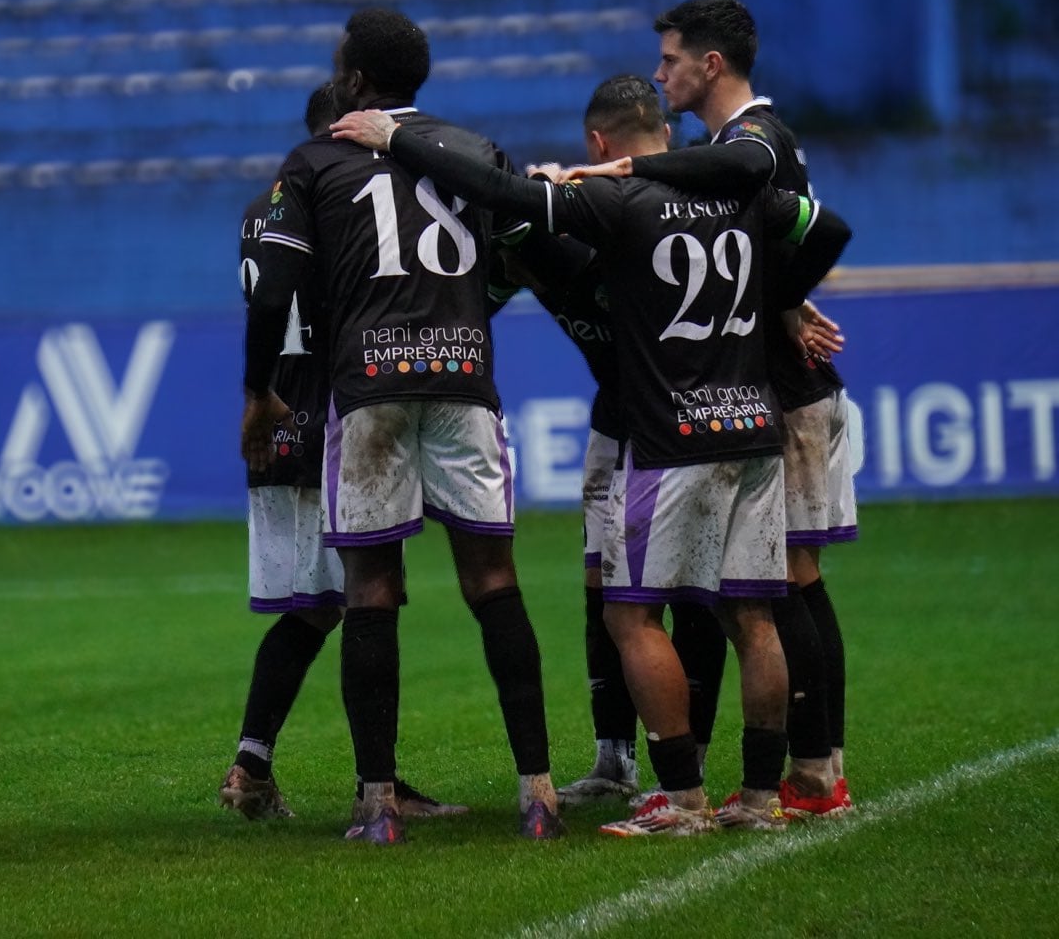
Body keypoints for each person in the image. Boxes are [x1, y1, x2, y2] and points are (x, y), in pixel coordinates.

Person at [331, 85, 851, 835]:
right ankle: (765, 796)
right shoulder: (740, 192)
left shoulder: (620, 204)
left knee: (630, 613)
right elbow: (827, 225)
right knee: (752, 613)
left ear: (602, 146)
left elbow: (496, 189)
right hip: (751, 426)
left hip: (669, 435)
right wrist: (782, 296)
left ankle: (680, 798)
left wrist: (396, 136)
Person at [241, 9, 561, 844]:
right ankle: (539, 795)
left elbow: (274, 292)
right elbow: (529, 249)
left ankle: (377, 806)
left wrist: (256, 396)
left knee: (371, 590)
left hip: (369, 385)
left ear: (352, 81)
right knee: (495, 583)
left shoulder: (315, 160)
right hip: (463, 377)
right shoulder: (476, 150)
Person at [574, 0, 857, 817]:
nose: (658, 76)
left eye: (669, 61)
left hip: (788, 400)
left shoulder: (755, 143)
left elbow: (808, 218)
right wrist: (783, 298)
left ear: (711, 65)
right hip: (757, 399)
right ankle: (796, 772)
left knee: (789, 584)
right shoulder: (723, 149)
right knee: (759, 592)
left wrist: (629, 168)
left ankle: (814, 771)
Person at [221, 83, 467, 822]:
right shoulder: (340, 200)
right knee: (359, 600)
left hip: (277, 424)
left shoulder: (263, 208)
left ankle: (256, 768)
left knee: (322, 605)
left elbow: (269, 302)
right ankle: (371, 787)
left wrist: (257, 394)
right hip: (334, 424)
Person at [487, 77, 729, 806]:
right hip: (625, 423)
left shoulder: (608, 215)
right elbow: (481, 294)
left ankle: (681, 766)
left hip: (676, 425)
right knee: (617, 591)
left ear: (597, 146)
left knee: (679, 595)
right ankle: (617, 760)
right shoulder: (554, 233)